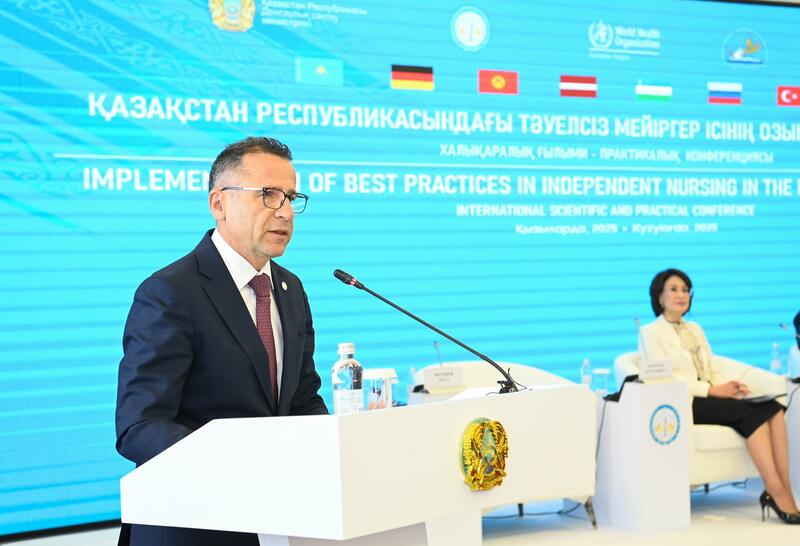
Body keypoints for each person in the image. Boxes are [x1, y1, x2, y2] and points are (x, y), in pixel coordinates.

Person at [115, 137, 329, 546]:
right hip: (193, 527)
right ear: (219, 203)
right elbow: (140, 426)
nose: (285, 211)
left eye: (291, 197)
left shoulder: (290, 289)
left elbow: (302, 400)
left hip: (280, 522)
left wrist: (330, 455)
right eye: (268, 195)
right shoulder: (171, 291)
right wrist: (239, 470)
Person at [639, 268, 799, 524]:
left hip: (711, 394)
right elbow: (665, 378)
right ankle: (774, 489)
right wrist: (712, 391)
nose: (681, 295)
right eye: (674, 289)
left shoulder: (695, 328)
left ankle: (786, 488)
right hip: (686, 401)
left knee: (773, 407)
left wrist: (729, 387)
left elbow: (710, 369)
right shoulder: (650, 332)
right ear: (659, 297)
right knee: (750, 415)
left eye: (685, 290)